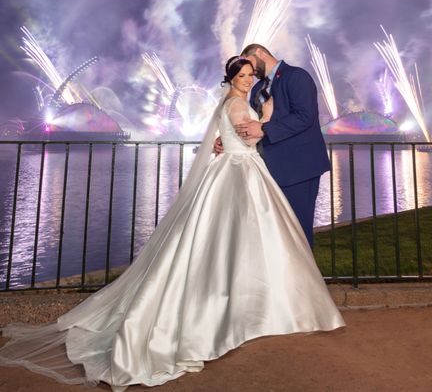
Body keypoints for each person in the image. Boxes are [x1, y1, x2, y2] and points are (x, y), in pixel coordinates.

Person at [0, 56, 344, 390]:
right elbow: (251, 136)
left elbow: (233, 135)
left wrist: (233, 136)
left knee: (233, 238)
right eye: (242, 76)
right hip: (241, 173)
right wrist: (265, 119)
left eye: (250, 75)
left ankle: (245, 303)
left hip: (237, 171)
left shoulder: (235, 101)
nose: (249, 80)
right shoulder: (240, 104)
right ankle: (246, 307)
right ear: (231, 79)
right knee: (246, 236)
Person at [234, 44, 330, 248]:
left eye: (248, 62)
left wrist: (265, 129)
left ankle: (305, 279)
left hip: (299, 169)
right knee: (276, 233)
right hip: (270, 170)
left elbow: (305, 117)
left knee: (297, 230)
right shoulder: (258, 89)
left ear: (259, 53)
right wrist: (225, 140)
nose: (248, 71)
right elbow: (253, 124)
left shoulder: (296, 76)